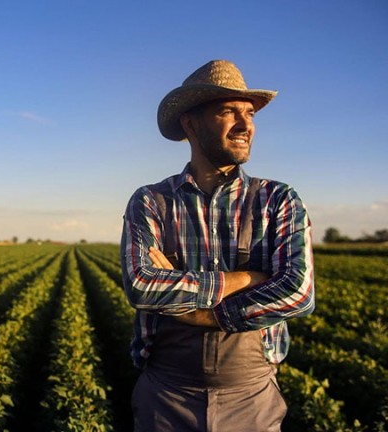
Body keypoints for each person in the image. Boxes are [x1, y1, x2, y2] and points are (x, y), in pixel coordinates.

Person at [120, 60, 315, 432]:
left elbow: (298, 293)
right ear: (190, 124)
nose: (245, 125)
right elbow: (142, 287)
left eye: (250, 113)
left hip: (251, 398)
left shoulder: (278, 200)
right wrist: (246, 279)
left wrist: (200, 310)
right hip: (167, 395)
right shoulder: (150, 201)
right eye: (228, 111)